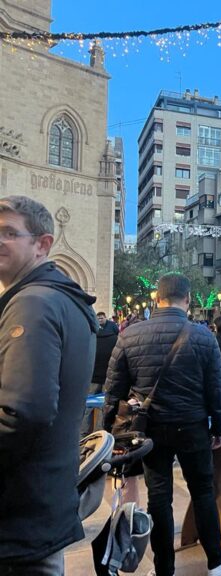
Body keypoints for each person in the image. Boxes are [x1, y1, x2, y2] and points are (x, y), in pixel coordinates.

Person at [104, 273, 221, 576]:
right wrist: (219, 428)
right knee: (203, 491)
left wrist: (112, 431)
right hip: (192, 426)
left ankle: (164, 568)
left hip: (150, 430)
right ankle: (216, 561)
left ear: (156, 298)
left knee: (159, 498)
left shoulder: (130, 335)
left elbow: (113, 391)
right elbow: (218, 389)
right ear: (188, 300)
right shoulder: (204, 336)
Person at [0, 195, 98, 574]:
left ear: (42, 245)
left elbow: (23, 412)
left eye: (10, 232)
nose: (0, 240)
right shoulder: (64, 300)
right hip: (43, 504)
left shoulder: (33, 303)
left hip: (20, 514)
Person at [82, 310, 120, 435]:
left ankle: (83, 433)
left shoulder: (90, 339)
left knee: (88, 406)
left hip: (92, 378)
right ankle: (99, 433)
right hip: (107, 379)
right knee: (103, 407)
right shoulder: (115, 340)